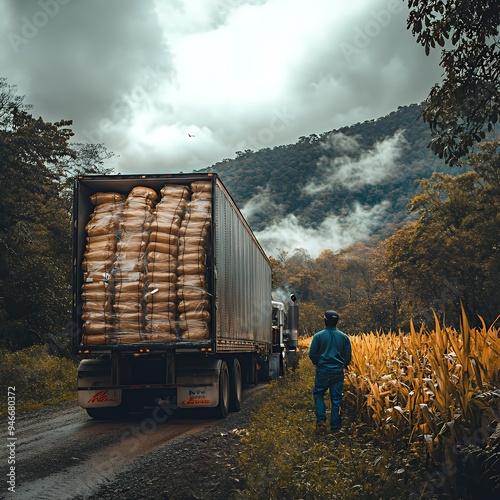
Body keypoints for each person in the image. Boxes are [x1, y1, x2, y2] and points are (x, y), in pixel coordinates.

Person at [308, 310, 352, 434]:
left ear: (325, 321)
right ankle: (335, 427)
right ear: (337, 322)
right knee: (336, 399)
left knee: (318, 394)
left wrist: (319, 363)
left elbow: (312, 354)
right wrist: (342, 365)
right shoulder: (344, 337)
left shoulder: (318, 336)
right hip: (338, 372)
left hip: (323, 370)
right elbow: (348, 356)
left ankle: (321, 421)